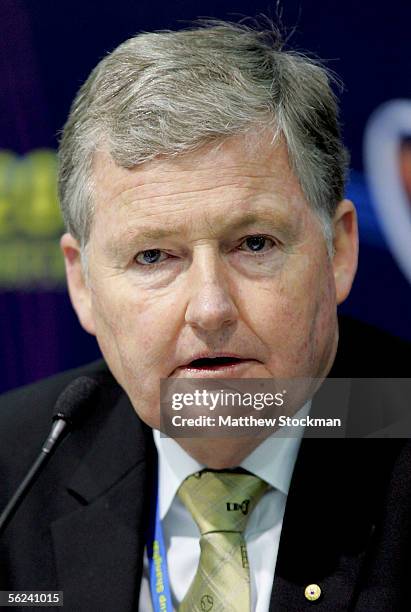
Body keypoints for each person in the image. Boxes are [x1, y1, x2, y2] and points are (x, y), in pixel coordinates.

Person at [0, 18, 410, 612]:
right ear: (82, 283)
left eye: (255, 244)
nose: (210, 308)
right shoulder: (16, 467)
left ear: (338, 250)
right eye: (152, 256)